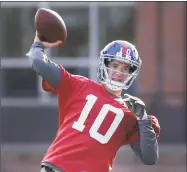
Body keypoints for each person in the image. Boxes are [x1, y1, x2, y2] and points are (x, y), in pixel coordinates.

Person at [26, 32, 160, 172]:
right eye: (115, 66)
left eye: (125, 68)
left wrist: (143, 119)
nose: (119, 72)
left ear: (132, 73)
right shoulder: (79, 85)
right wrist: (38, 45)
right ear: (105, 65)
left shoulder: (132, 113)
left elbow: (149, 157)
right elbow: (39, 63)